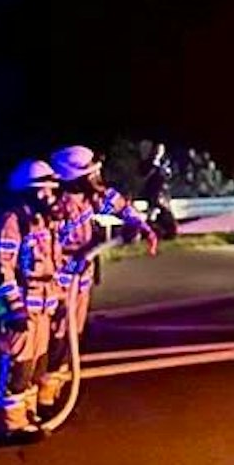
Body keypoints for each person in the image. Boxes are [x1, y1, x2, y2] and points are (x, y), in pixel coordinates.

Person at [48, 144, 155, 414]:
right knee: (53, 337)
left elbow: (115, 202)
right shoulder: (52, 203)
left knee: (72, 334)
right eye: (90, 174)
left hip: (79, 280)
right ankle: (41, 394)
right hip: (53, 284)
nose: (96, 180)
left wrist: (138, 224)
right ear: (72, 177)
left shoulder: (88, 197)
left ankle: (54, 389)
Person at [0, 159, 63, 441]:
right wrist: (14, 308)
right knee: (16, 364)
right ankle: (10, 425)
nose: (50, 196)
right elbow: (1, 269)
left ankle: (26, 415)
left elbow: (50, 265)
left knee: (35, 363)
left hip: (39, 307)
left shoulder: (40, 220)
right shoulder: (12, 222)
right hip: (17, 307)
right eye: (45, 190)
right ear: (28, 191)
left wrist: (58, 299)